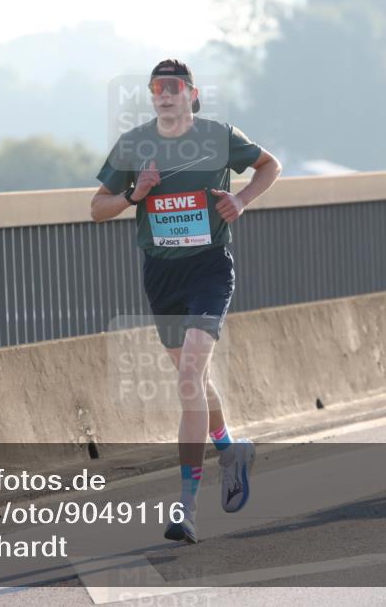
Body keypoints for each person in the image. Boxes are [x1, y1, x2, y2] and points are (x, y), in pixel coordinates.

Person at [91, 60, 282, 542]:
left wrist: (241, 200)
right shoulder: (134, 144)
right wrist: (135, 194)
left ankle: (187, 506)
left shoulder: (219, 136)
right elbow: (97, 209)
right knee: (193, 380)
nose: (164, 94)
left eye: (173, 87)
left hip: (209, 269)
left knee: (189, 378)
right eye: (156, 87)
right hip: (162, 275)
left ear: (192, 95)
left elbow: (270, 165)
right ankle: (230, 450)